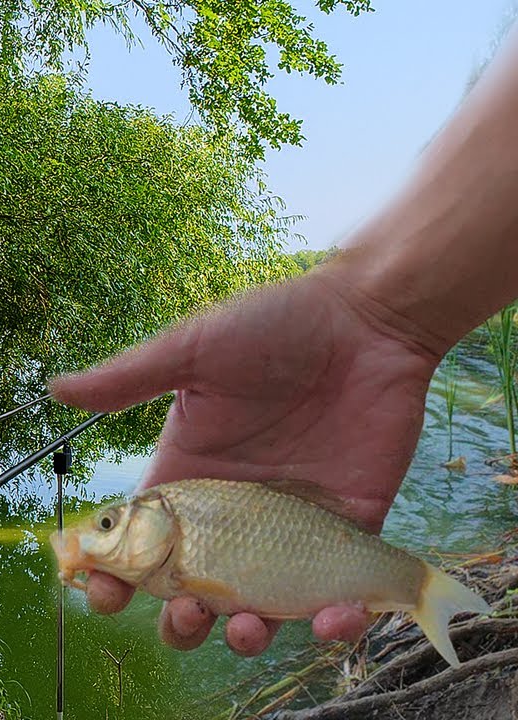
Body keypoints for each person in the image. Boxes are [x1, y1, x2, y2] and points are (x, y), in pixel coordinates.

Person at [51, 30, 518, 658]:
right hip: (320, 535)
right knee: (240, 618)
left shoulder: (180, 520)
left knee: (232, 619)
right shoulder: (178, 536)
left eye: (109, 524)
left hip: (328, 530)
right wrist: (385, 315)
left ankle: (419, 589)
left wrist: (380, 315)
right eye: (107, 525)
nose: (100, 533)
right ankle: (415, 589)